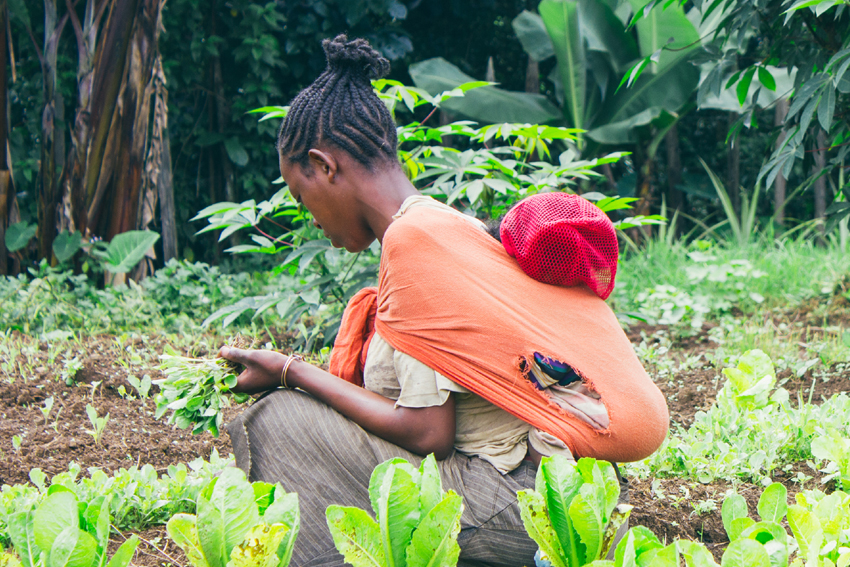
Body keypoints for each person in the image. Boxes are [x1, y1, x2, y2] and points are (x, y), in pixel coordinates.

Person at [219, 34, 669, 567]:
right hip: (564, 493)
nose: (308, 214)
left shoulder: (413, 245)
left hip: (519, 507)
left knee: (277, 418)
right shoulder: (441, 222)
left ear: (323, 165)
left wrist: (290, 371)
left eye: (301, 193)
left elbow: (427, 434)